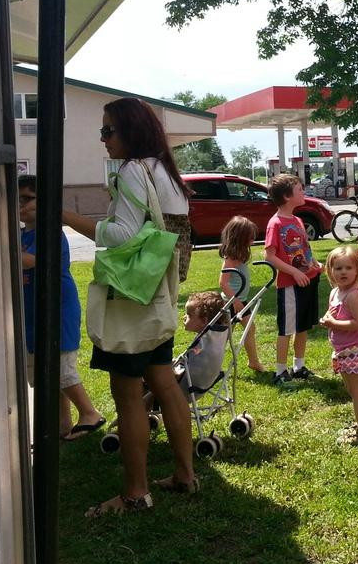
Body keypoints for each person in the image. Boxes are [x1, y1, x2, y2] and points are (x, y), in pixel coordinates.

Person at [61, 97, 195, 516]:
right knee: (164, 383)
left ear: (131, 131)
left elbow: (121, 235)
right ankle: (185, 474)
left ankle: (136, 493)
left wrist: (66, 216)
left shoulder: (134, 171)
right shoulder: (165, 171)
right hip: (159, 295)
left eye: (108, 131)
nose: (102, 139)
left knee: (127, 395)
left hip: (133, 297)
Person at [18, 175, 104, 441]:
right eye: (17, 200)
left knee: (60, 367)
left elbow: (33, 261)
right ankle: (62, 424)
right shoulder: (23, 233)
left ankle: (90, 413)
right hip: (35, 310)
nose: (21, 205)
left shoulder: (49, 232)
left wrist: (2, 247)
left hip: (57, 308)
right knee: (47, 369)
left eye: (27, 199)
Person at [264, 173, 324, 385]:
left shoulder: (298, 220)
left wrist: (314, 264)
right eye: (300, 189)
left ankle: (298, 366)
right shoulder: (276, 223)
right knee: (287, 328)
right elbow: (269, 255)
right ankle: (280, 371)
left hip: (308, 280)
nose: (303, 192)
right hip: (290, 285)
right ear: (288, 196)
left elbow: (304, 249)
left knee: (303, 326)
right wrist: (294, 272)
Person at [321, 246, 358, 446]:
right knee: (350, 389)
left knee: (357, 391)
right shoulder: (335, 292)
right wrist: (328, 319)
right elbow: (333, 314)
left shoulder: (353, 295)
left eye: (348, 268)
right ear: (330, 271)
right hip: (342, 350)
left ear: (357, 271)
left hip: (354, 349)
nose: (343, 272)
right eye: (338, 268)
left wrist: (333, 324)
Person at [218, 216, 264, 372]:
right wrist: (235, 300)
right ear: (239, 238)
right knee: (222, 337)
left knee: (249, 329)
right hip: (231, 303)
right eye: (249, 237)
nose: (252, 240)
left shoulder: (240, 255)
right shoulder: (230, 259)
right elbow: (223, 282)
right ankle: (212, 364)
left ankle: (253, 361)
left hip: (241, 302)